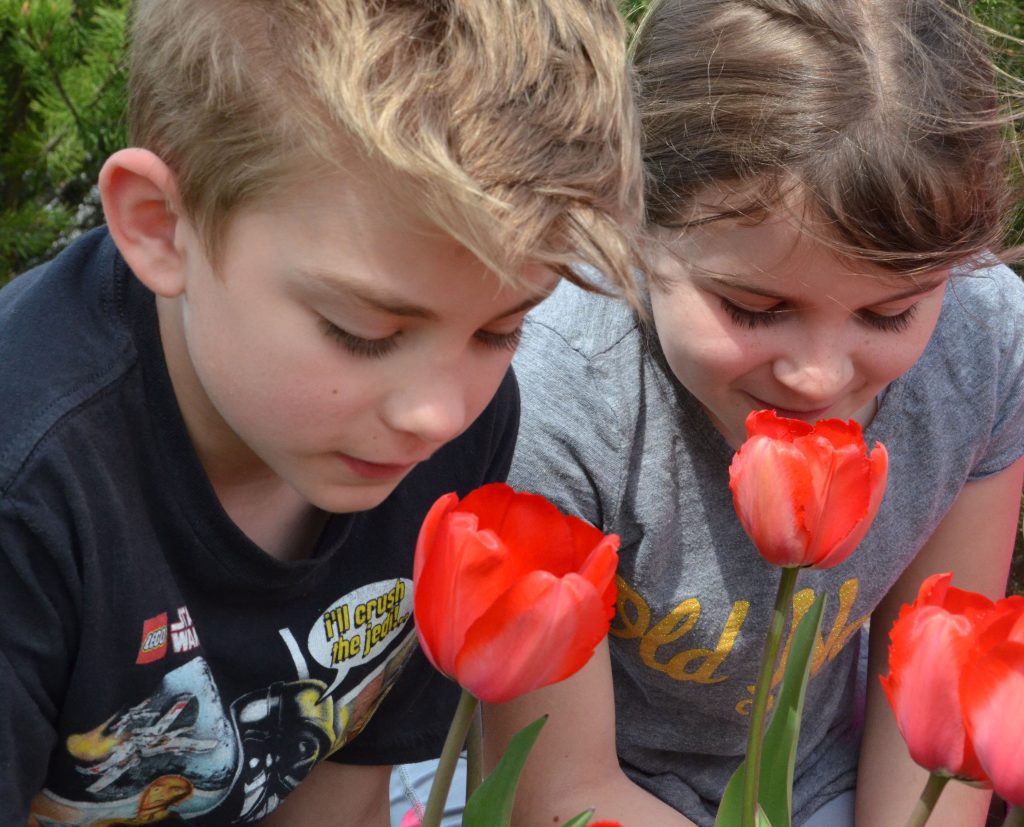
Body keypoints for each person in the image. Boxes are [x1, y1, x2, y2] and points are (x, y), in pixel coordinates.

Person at [0, 1, 643, 825]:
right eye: (363, 332)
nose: (438, 414)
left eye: (501, 330)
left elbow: (342, 781)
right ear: (162, 227)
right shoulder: (32, 490)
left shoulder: (448, 435)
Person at [482, 1, 1024, 826]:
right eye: (754, 307)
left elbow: (942, 708)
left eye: (887, 315)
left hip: (821, 777)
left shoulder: (982, 342)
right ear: (629, 216)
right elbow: (557, 793)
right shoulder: (556, 392)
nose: (817, 377)